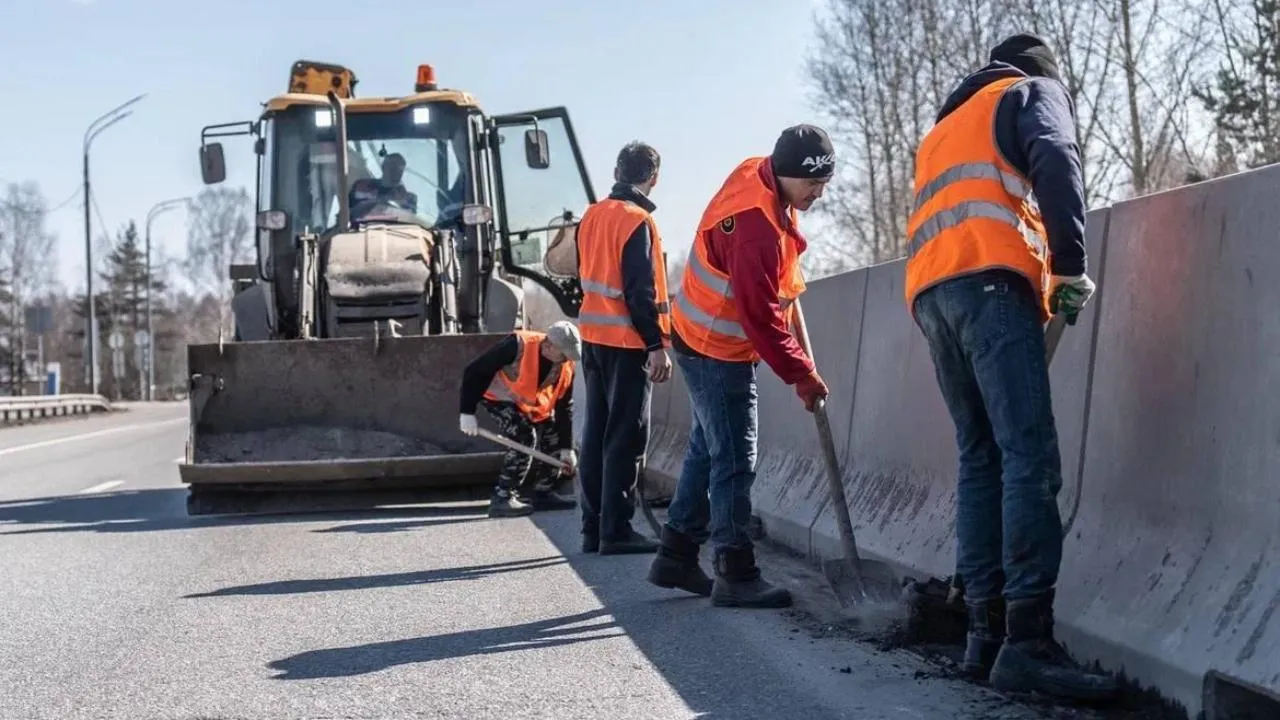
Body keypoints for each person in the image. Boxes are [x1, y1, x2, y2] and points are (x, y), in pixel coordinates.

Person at [904, 34, 1116, 700]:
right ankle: (1028, 640)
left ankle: (983, 635)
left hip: (932, 296)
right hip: (992, 286)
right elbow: (1056, 157)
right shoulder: (1031, 90)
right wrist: (1071, 268)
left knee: (981, 458)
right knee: (1028, 456)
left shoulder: (944, 127)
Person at [647, 125, 833, 608]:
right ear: (786, 174)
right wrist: (801, 374)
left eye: (825, 183)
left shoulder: (758, 172)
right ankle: (735, 569)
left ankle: (676, 554)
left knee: (709, 448)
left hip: (696, 332)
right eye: (812, 183)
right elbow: (760, 317)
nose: (819, 192)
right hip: (717, 346)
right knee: (734, 458)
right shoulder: (754, 229)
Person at [575, 141, 673, 555]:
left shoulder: (591, 215)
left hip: (593, 340)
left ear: (617, 171)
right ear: (653, 178)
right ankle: (617, 530)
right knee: (626, 435)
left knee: (595, 432)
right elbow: (639, 291)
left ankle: (593, 528)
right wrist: (655, 344)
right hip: (628, 342)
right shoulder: (637, 221)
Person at [458, 321, 581, 518]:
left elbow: (564, 406)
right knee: (524, 435)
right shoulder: (517, 345)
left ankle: (543, 492)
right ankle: (503, 497)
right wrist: (467, 412)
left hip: (527, 403)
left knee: (553, 435)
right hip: (498, 397)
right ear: (548, 345)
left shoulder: (566, 366)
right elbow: (474, 371)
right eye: (563, 353)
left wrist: (567, 448)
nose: (566, 359)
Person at [350, 152, 418, 221]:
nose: (396, 172)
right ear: (383, 167)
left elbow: (409, 220)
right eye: (392, 167)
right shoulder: (362, 187)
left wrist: (399, 202)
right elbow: (348, 213)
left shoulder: (409, 198)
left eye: (400, 169)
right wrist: (382, 199)